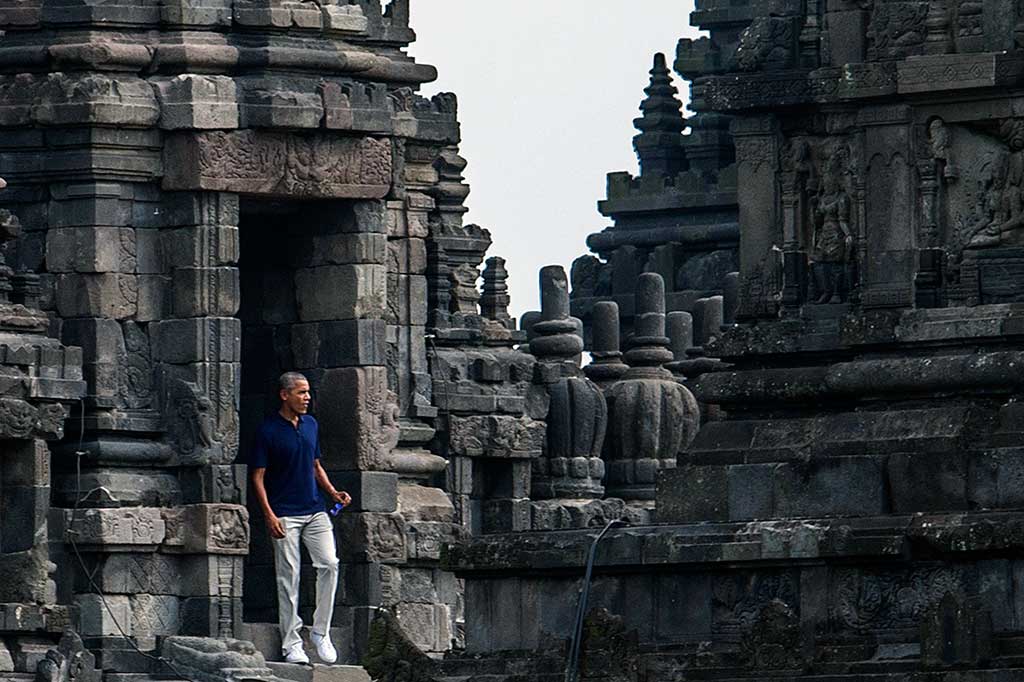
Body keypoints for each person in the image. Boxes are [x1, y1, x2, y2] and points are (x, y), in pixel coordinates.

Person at [249, 372, 352, 665]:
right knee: (289, 577)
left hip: (315, 509)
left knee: (330, 564)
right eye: (301, 392)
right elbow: (257, 477)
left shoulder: (311, 424)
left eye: (308, 392)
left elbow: (315, 465)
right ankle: (292, 644)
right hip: (284, 513)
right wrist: (269, 515)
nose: (307, 398)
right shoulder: (268, 431)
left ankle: (320, 632)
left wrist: (332, 492)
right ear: (285, 395)